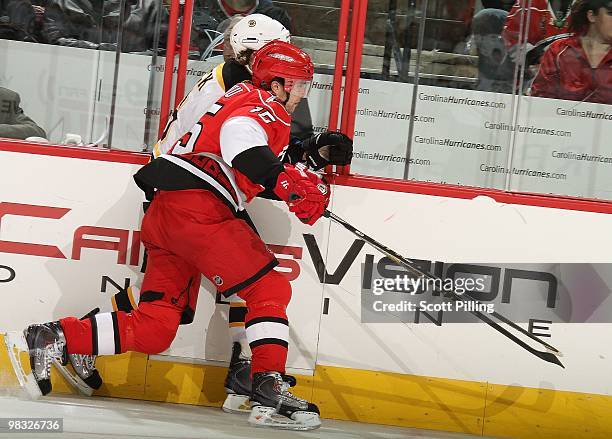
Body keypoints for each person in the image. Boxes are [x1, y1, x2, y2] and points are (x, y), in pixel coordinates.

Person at [21, 41, 337, 430]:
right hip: (198, 209)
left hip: (167, 211)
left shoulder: (242, 95)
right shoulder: (259, 106)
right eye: (300, 85)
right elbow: (245, 147)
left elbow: (248, 160)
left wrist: (289, 176)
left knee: (156, 328)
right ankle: (267, 385)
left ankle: (55, 336)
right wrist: (285, 182)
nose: (304, 94)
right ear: (277, 83)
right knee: (270, 288)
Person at [531, 0, 612, 103]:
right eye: (611, 13)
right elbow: (540, 98)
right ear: (591, 16)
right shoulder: (559, 51)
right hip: (558, 117)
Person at [503, 0, 575, 60]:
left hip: (578, 71)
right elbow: (510, 40)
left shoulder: (584, 7)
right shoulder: (527, 3)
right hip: (537, 72)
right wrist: (534, 56)